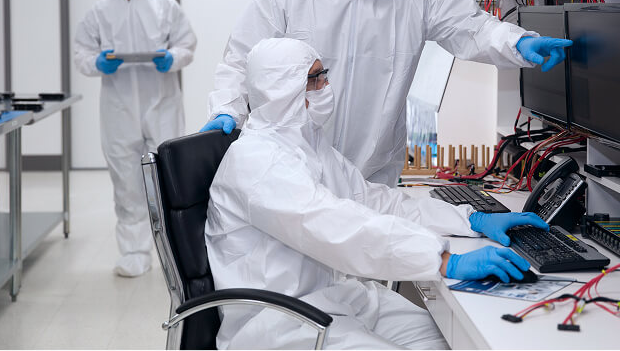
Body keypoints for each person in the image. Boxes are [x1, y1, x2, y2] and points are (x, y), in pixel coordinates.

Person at [202, 0, 571, 187]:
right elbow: (241, 58)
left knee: (372, 262)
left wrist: (518, 42)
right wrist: (226, 109)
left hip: (374, 170)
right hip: (297, 165)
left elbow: (471, 26)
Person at [206, 37, 549, 349]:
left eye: (323, 74)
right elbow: (336, 227)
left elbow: (371, 201)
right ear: (282, 90)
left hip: (331, 298)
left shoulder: (304, 142)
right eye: (315, 79)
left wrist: (470, 218)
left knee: (446, 339)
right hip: (279, 320)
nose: (326, 86)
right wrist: (444, 261)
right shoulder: (258, 161)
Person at [74, 0, 197, 277]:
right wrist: (98, 63)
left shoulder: (165, 6)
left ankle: (177, 252)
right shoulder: (99, 12)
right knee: (127, 182)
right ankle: (134, 252)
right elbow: (82, 54)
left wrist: (173, 58)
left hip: (162, 103)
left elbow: (187, 43)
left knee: (170, 176)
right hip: (119, 107)